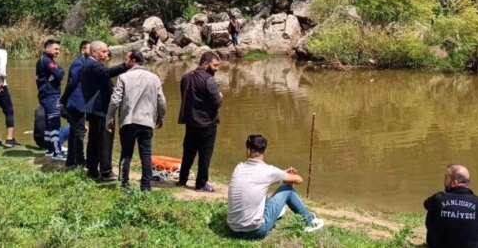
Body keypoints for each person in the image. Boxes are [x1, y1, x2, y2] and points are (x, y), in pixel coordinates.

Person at [227, 134, 325, 238]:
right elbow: (299, 180)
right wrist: (286, 175)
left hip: (233, 229)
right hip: (255, 231)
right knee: (287, 189)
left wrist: (281, 173)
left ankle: (274, 212)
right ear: (265, 150)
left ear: (248, 150)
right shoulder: (268, 171)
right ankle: (310, 221)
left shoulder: (239, 168)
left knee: (256, 188)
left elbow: (259, 177)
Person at [60, 41, 129, 181]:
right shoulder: (92, 64)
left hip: (96, 109)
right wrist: (126, 65)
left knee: (94, 140)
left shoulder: (90, 64)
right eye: (103, 52)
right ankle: (105, 171)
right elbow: (107, 72)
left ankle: (92, 169)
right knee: (104, 140)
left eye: (107, 51)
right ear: (93, 52)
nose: (106, 54)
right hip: (100, 110)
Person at [106, 51, 166, 191]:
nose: (125, 62)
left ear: (133, 61)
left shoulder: (124, 77)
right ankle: (145, 186)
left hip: (128, 121)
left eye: (126, 59)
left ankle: (125, 184)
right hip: (146, 121)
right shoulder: (154, 78)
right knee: (146, 154)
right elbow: (161, 100)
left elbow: (115, 100)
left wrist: (109, 117)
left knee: (126, 153)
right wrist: (161, 116)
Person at [424, 164, 478, 248]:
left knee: (432, 209)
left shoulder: (438, 198)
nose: (444, 180)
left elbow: (426, 204)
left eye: (446, 178)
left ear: (454, 182)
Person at [177, 52, 222, 192]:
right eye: (215, 65)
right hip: (207, 123)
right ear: (205, 64)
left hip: (190, 122)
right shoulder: (209, 80)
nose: (217, 68)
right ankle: (201, 184)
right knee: (205, 155)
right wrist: (220, 96)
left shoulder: (185, 77)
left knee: (188, 153)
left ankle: (182, 180)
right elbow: (217, 103)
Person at [35, 39, 66, 161]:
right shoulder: (46, 60)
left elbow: (60, 72)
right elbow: (60, 74)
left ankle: (49, 149)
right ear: (47, 48)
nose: (58, 51)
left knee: (49, 124)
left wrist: (59, 71)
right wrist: (58, 71)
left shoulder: (46, 60)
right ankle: (57, 153)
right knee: (54, 123)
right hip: (50, 96)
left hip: (47, 95)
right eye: (56, 49)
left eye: (59, 49)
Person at [61, 40, 90, 168]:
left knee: (74, 130)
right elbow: (72, 83)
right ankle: (79, 160)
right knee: (79, 132)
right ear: (83, 50)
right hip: (77, 103)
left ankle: (71, 159)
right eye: (91, 49)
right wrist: (63, 100)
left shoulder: (83, 62)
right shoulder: (79, 63)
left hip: (76, 102)